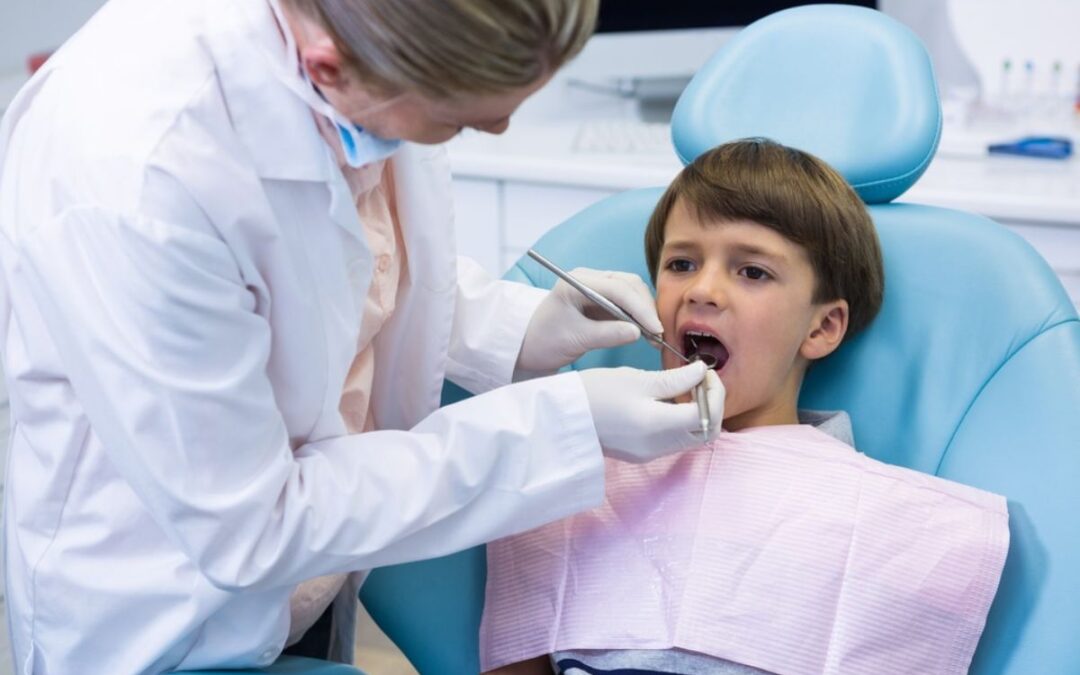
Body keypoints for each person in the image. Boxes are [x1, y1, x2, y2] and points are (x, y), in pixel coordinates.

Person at [0, 0, 723, 672]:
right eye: (464, 120)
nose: (502, 128)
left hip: (311, 583)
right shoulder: (140, 173)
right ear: (327, 65)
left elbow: (343, 263)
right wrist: (568, 425)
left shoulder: (369, 56)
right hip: (170, 620)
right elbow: (251, 527)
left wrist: (523, 323)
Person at [481, 140, 1008, 674]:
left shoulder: (881, 523)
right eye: (681, 263)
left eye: (752, 272)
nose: (702, 290)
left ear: (822, 327)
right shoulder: (573, 479)